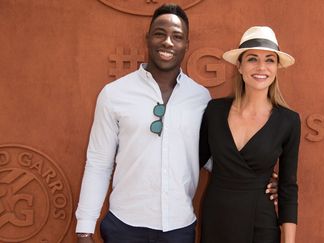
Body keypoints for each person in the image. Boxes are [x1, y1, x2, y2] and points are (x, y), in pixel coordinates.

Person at [75, 4, 278, 243]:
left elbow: (214, 157)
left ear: (186, 44)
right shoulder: (114, 94)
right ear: (148, 38)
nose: (168, 42)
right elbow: (99, 162)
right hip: (124, 227)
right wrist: (84, 229)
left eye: (177, 36)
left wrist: (258, 178)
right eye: (160, 33)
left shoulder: (201, 98)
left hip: (179, 229)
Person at [199, 26, 301, 243]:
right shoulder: (214, 111)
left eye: (270, 60)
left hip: (261, 224)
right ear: (240, 66)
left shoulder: (288, 121)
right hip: (216, 218)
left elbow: (288, 187)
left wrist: (289, 241)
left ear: (277, 67)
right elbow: (194, 160)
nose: (261, 67)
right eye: (252, 59)